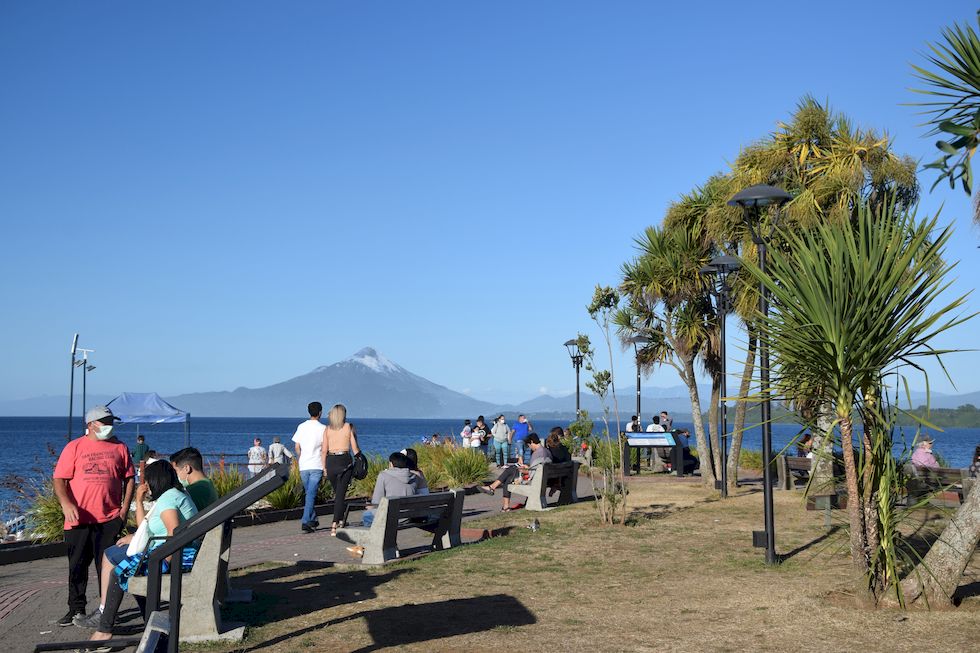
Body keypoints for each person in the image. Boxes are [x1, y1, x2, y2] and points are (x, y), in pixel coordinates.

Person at [77, 461, 198, 644]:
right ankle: (149, 622)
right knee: (131, 570)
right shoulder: (174, 495)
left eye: (147, 480)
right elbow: (148, 528)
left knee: (120, 572)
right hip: (182, 553)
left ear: (156, 479)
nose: (146, 484)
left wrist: (162, 561)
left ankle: (104, 630)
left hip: (177, 556)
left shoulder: (168, 499)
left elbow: (175, 533)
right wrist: (139, 501)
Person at [53, 405, 135, 627]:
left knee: (107, 567)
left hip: (109, 519)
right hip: (78, 519)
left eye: (111, 421)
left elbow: (129, 478)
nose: (110, 426)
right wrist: (66, 503)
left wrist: (124, 509)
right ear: (90, 424)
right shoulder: (74, 447)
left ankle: (107, 611)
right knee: (77, 566)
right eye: (105, 422)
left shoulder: (120, 447)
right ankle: (75, 609)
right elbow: (59, 479)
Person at [479, 433, 553, 511]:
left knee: (511, 470)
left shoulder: (537, 453)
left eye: (529, 445)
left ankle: (493, 488)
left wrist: (522, 469)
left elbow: (532, 473)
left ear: (532, 442)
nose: (530, 448)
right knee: (509, 477)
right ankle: (505, 506)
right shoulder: (546, 452)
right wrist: (527, 467)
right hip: (543, 479)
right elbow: (538, 469)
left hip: (535, 481)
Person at [321, 404, 361, 536]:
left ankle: (340, 520)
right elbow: (354, 448)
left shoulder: (327, 430)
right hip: (344, 460)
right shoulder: (348, 427)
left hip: (331, 461)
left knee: (338, 493)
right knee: (340, 495)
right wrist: (360, 460)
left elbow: (324, 450)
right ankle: (334, 523)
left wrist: (324, 468)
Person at [293, 402, 326, 533]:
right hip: (317, 464)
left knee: (309, 494)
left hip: (304, 465)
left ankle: (313, 519)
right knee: (311, 494)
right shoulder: (323, 428)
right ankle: (306, 521)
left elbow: (297, 447)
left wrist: (302, 457)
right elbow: (325, 449)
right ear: (320, 412)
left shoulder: (301, 426)